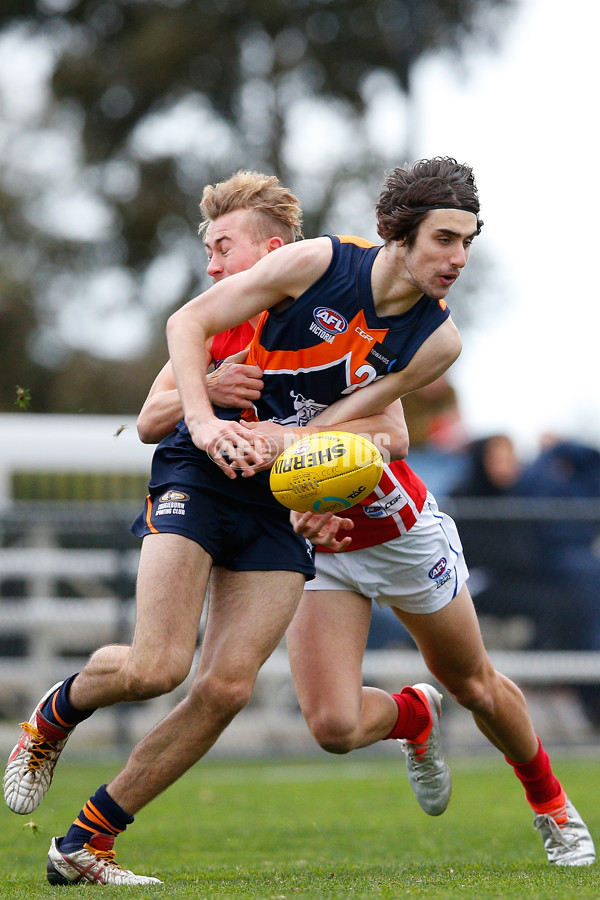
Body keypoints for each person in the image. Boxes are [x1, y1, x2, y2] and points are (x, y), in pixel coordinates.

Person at [3, 165, 427, 885]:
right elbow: (147, 421)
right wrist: (210, 393)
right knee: (156, 666)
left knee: (227, 688)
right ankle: (53, 717)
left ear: (270, 251)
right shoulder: (218, 313)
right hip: (195, 481)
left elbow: (391, 432)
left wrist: (330, 491)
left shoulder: (341, 319)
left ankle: (86, 845)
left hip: (275, 508)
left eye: (221, 245)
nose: (211, 263)